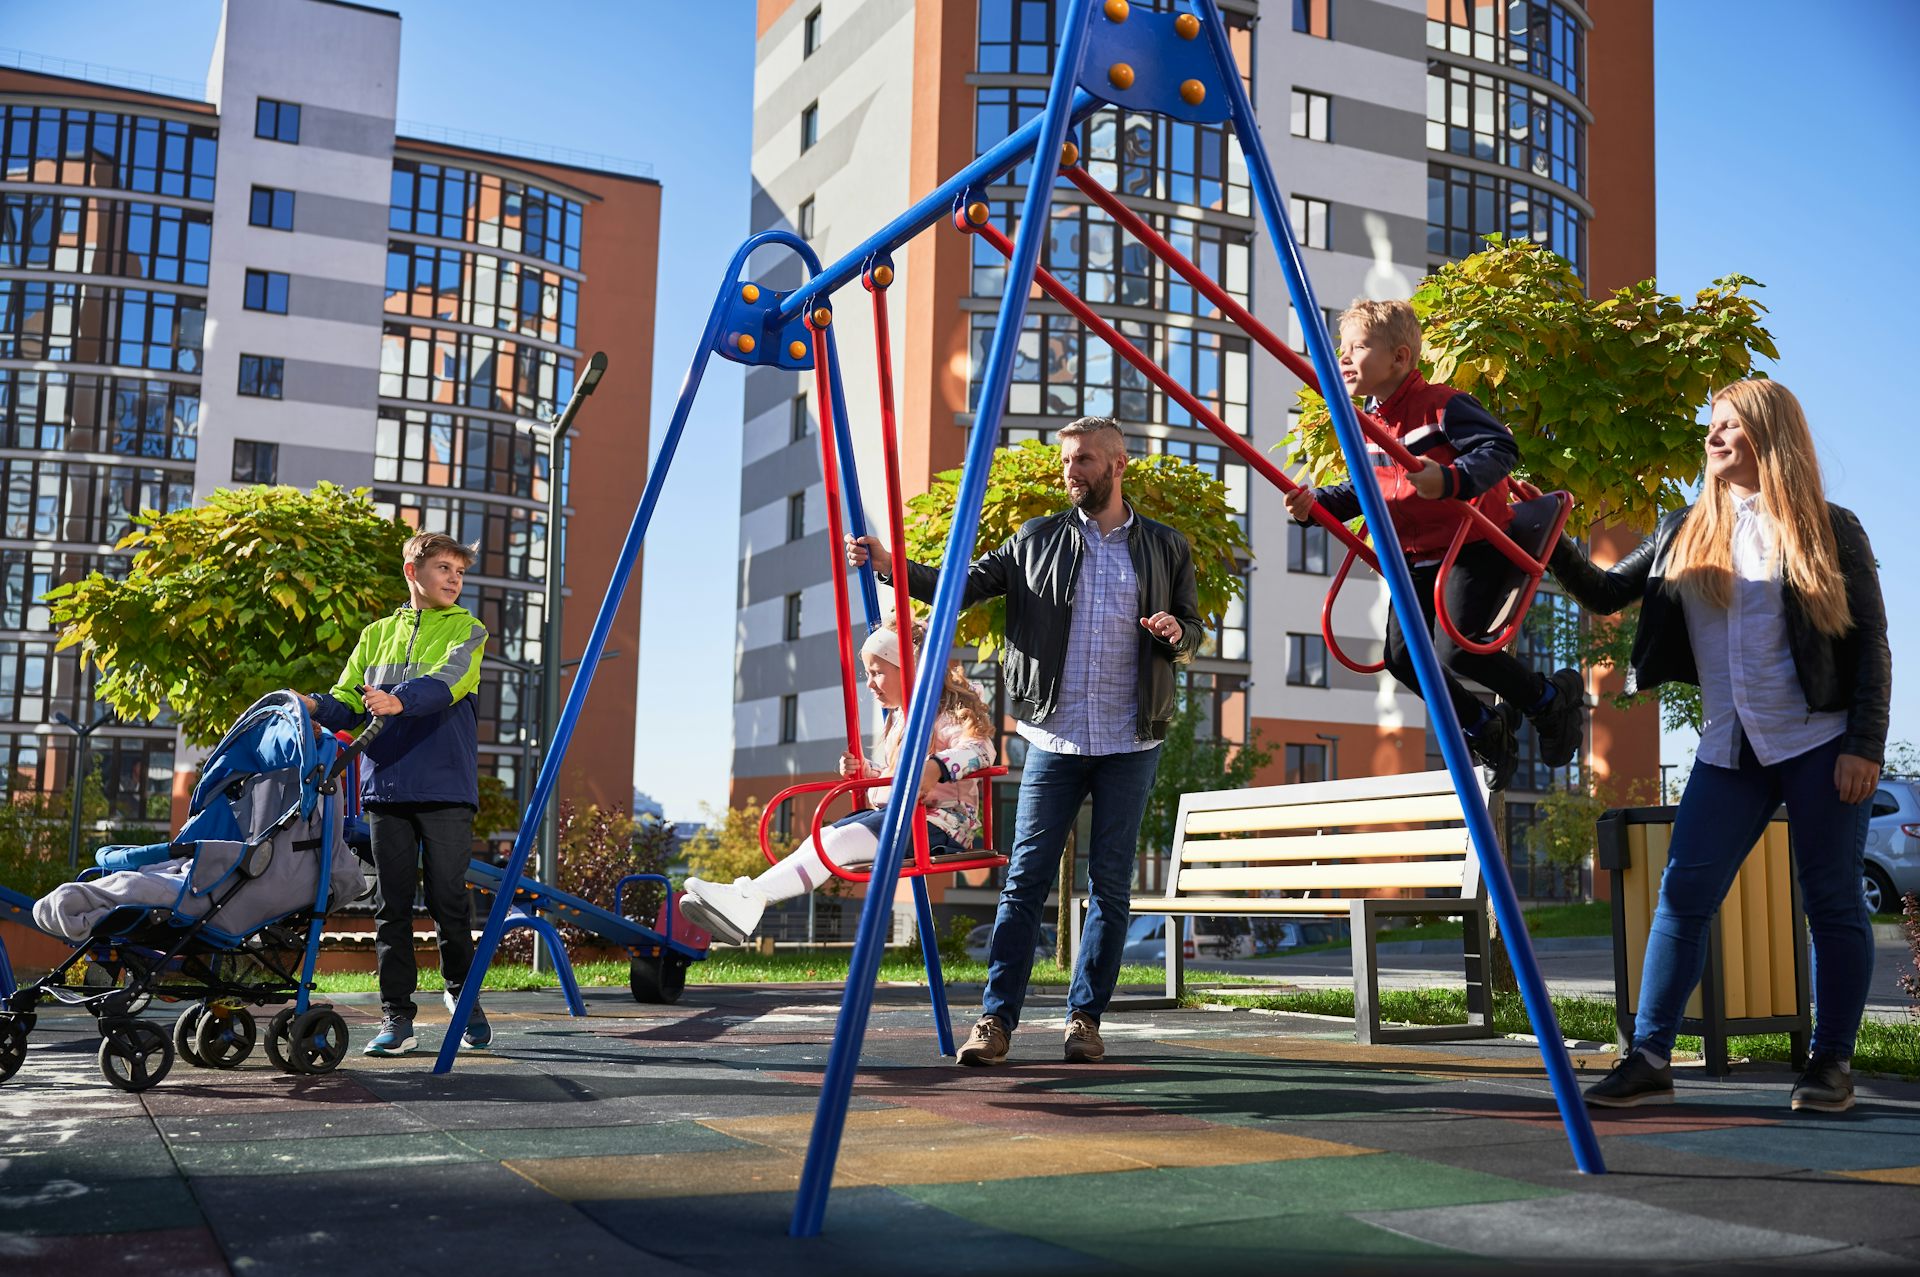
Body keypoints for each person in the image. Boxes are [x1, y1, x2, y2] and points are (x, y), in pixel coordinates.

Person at [1551, 379, 1889, 1112]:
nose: (1713, 437)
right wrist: (1538, 535)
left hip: (1819, 742)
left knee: (1831, 902)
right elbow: (1607, 591)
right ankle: (1648, 1055)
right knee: (1683, 895)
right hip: (1728, 747)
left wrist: (1864, 744)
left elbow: (1872, 650)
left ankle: (1830, 1064)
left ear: (1768, 435)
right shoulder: (1683, 529)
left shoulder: (1832, 529)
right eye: (1712, 424)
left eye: (1729, 425)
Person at [847, 415, 1204, 1067]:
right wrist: (889, 564)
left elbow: (1193, 624)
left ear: (1119, 465)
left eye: (1086, 460)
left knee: (1112, 885)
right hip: (1055, 737)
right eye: (1067, 461)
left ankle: (1085, 1019)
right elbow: (957, 583)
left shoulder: (1165, 546)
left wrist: (1176, 633)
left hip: (1132, 739)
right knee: (1023, 882)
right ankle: (995, 1020)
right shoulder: (1034, 540)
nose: (1072, 471)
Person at [1284, 299, 1584, 790]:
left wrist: (1450, 478)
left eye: (1357, 348)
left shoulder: (1442, 405)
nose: (1343, 358)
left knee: (1460, 651)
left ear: (1400, 358)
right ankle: (1485, 725)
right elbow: (1365, 489)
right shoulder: (1367, 424)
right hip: (1414, 558)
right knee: (1404, 659)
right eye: (1342, 348)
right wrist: (1314, 506)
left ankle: (1550, 701)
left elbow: (1500, 449)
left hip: (1471, 545)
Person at [679, 617, 996, 943]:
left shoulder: (943, 712)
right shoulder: (901, 719)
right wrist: (868, 772)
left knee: (836, 843)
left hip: (940, 827)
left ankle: (748, 899)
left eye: (877, 673)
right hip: (904, 819)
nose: (870, 683)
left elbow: (982, 750)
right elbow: (894, 781)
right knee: (821, 839)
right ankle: (745, 896)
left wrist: (935, 768)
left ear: (910, 671)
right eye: (868, 674)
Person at [298, 531, 491, 1057]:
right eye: (444, 569)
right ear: (412, 571)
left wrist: (394, 700)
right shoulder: (376, 634)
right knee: (391, 906)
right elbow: (346, 701)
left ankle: (462, 994)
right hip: (385, 789)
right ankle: (396, 1017)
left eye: (459, 572)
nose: (454, 579)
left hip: (447, 788)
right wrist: (312, 705)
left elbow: (446, 684)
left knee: (451, 901)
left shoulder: (469, 631)